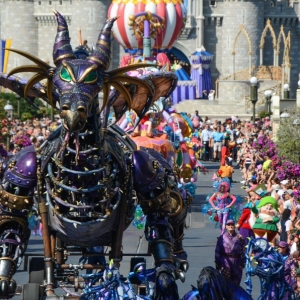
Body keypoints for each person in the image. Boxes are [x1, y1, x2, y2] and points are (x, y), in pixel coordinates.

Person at [215, 219, 246, 285]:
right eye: (228, 225)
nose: (230, 226)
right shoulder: (222, 237)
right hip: (225, 262)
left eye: (232, 224)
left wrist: (243, 263)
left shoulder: (239, 237)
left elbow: (244, 250)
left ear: (234, 226)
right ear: (226, 226)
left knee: (236, 284)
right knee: (226, 283)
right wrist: (218, 263)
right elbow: (217, 251)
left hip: (237, 262)